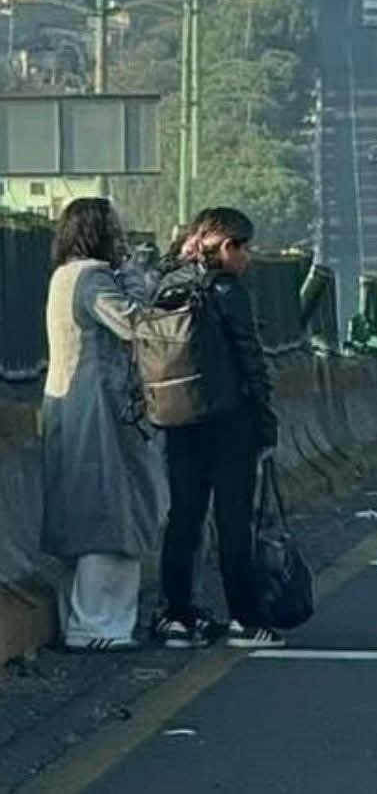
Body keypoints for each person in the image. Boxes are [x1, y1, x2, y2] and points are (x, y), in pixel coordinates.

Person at [152, 207, 283, 649]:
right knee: (233, 522)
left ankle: (176, 616)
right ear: (227, 247)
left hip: (178, 418)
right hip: (230, 422)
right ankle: (245, 618)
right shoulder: (227, 290)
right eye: (244, 248)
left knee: (184, 519)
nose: (248, 258)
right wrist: (265, 420)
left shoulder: (168, 283)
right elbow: (250, 357)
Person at [41, 197, 163, 652]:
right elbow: (135, 324)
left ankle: (83, 619)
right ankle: (99, 625)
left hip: (71, 405)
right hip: (99, 406)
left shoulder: (63, 275)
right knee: (111, 509)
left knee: (84, 507)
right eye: (115, 230)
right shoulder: (93, 277)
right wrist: (135, 278)